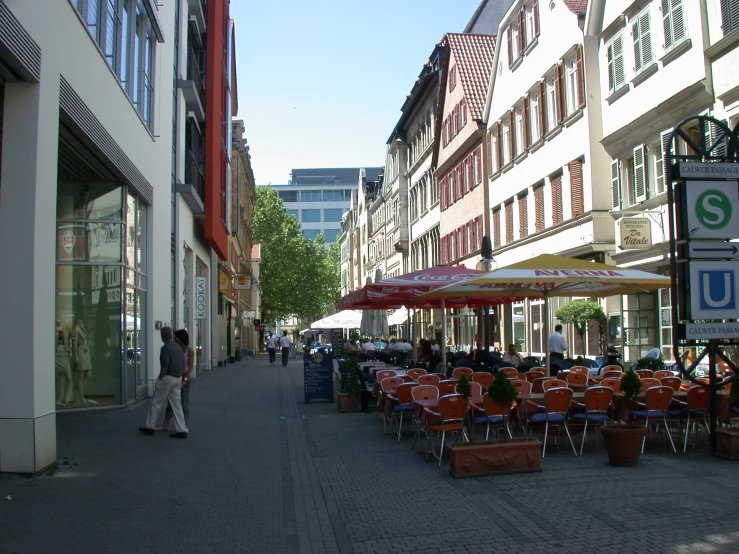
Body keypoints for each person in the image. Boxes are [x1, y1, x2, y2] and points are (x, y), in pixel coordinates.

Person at [139, 327, 189, 438]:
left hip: (167, 377)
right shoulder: (179, 348)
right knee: (177, 405)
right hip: (177, 378)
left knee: (157, 402)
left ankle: (149, 426)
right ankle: (181, 428)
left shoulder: (165, 348)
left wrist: (160, 377)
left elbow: (164, 365)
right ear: (171, 335)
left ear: (162, 336)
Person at [156, 329, 194, 432]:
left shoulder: (189, 350)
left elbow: (190, 367)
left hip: (184, 378)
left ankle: (183, 425)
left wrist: (185, 380)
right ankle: (165, 424)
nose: (174, 339)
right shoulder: (177, 349)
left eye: (176, 337)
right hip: (176, 377)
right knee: (170, 403)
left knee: (184, 403)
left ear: (180, 338)